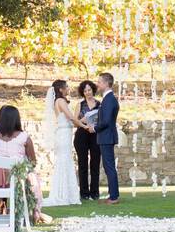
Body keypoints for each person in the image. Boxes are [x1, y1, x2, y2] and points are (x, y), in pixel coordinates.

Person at [0, 105, 45, 221]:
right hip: (20, 180)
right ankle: (33, 212)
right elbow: (32, 162)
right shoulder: (24, 138)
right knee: (32, 177)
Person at [43, 80, 85, 207]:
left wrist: (81, 121)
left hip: (64, 133)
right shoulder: (60, 101)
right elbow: (71, 118)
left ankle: (65, 193)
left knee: (65, 161)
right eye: (66, 87)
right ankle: (63, 195)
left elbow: (71, 120)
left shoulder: (58, 102)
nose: (68, 88)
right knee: (65, 161)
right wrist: (84, 125)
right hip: (63, 135)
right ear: (61, 89)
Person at [89, 72, 120, 204]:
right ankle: (112, 194)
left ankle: (114, 196)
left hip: (106, 137)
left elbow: (106, 121)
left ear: (107, 84)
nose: (98, 84)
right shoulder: (108, 99)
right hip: (106, 137)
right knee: (108, 167)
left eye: (100, 82)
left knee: (109, 167)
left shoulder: (109, 99)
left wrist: (94, 128)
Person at [73, 80, 102, 200]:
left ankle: (94, 192)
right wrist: (84, 122)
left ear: (93, 90)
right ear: (82, 92)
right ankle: (84, 193)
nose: (87, 92)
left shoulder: (100, 104)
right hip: (82, 135)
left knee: (95, 164)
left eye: (89, 90)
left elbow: (102, 121)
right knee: (82, 164)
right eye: (85, 91)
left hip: (95, 134)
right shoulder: (80, 104)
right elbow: (75, 122)